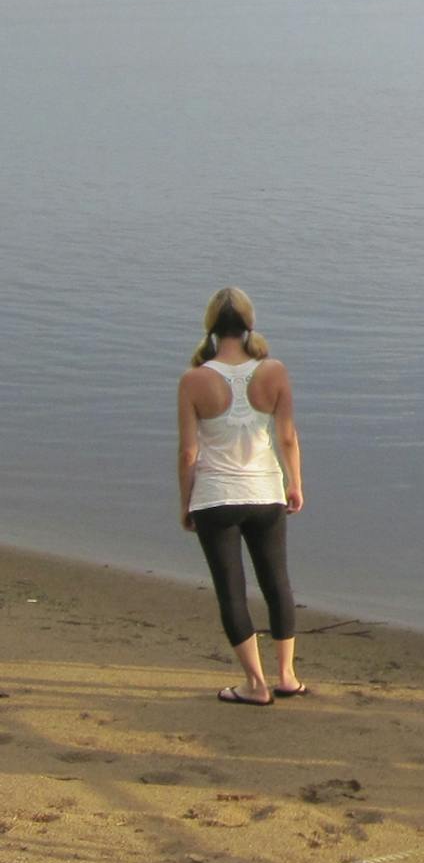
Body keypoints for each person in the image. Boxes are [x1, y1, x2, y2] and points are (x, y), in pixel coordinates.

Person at [177, 287, 306, 706]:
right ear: (249, 323)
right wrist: (295, 482)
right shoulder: (274, 371)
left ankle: (255, 684)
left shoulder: (194, 380)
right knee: (277, 584)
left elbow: (188, 451)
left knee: (231, 591)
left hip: (216, 497)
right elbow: (286, 436)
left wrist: (185, 502)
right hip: (265, 492)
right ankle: (286, 676)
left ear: (211, 327)